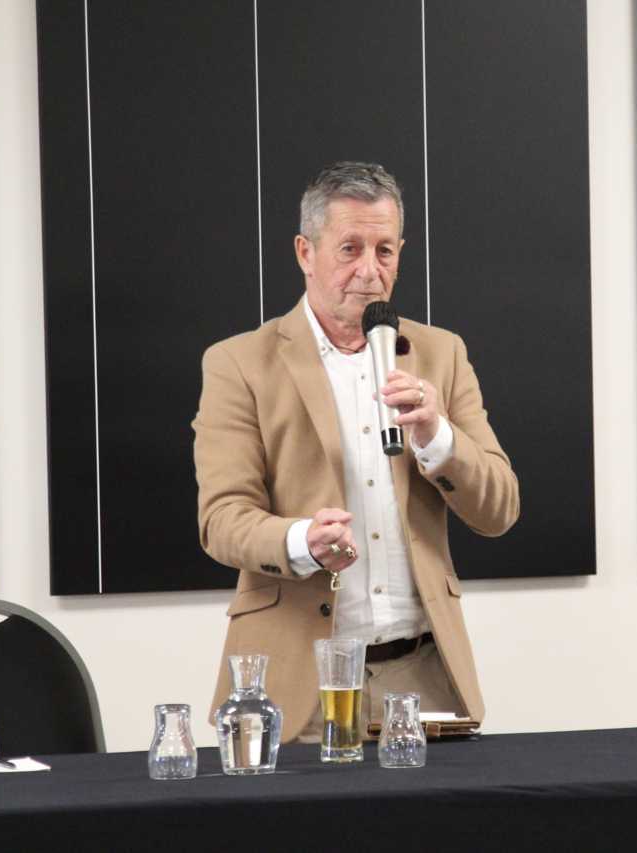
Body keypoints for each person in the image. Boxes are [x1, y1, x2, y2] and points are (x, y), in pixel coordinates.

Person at [193, 162, 519, 740]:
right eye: (349, 249)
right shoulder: (238, 363)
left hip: (422, 676)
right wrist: (303, 541)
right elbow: (222, 521)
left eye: (384, 251)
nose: (369, 271)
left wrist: (438, 437)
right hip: (295, 680)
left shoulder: (441, 354)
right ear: (305, 252)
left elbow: (499, 511)